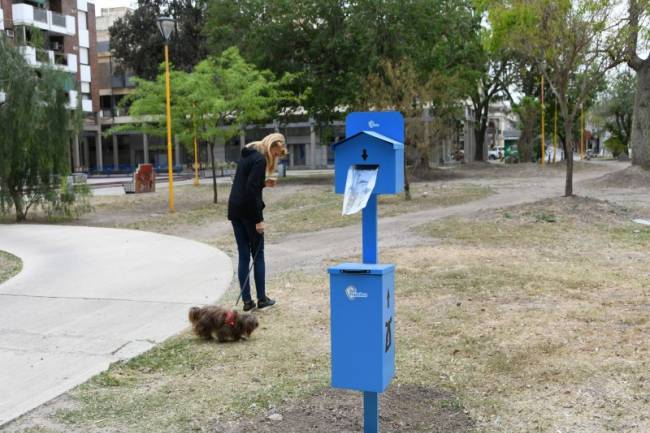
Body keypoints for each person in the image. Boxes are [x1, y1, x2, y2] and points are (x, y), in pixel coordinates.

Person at [227, 133, 288, 311]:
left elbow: (247, 184)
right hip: (248, 212)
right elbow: (251, 191)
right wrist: (258, 220)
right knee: (258, 255)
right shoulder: (260, 160)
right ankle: (262, 299)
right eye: (277, 153)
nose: (277, 156)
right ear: (273, 146)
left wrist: (263, 183)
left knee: (244, 254)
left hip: (235, 209)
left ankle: (247, 302)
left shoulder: (247, 155)